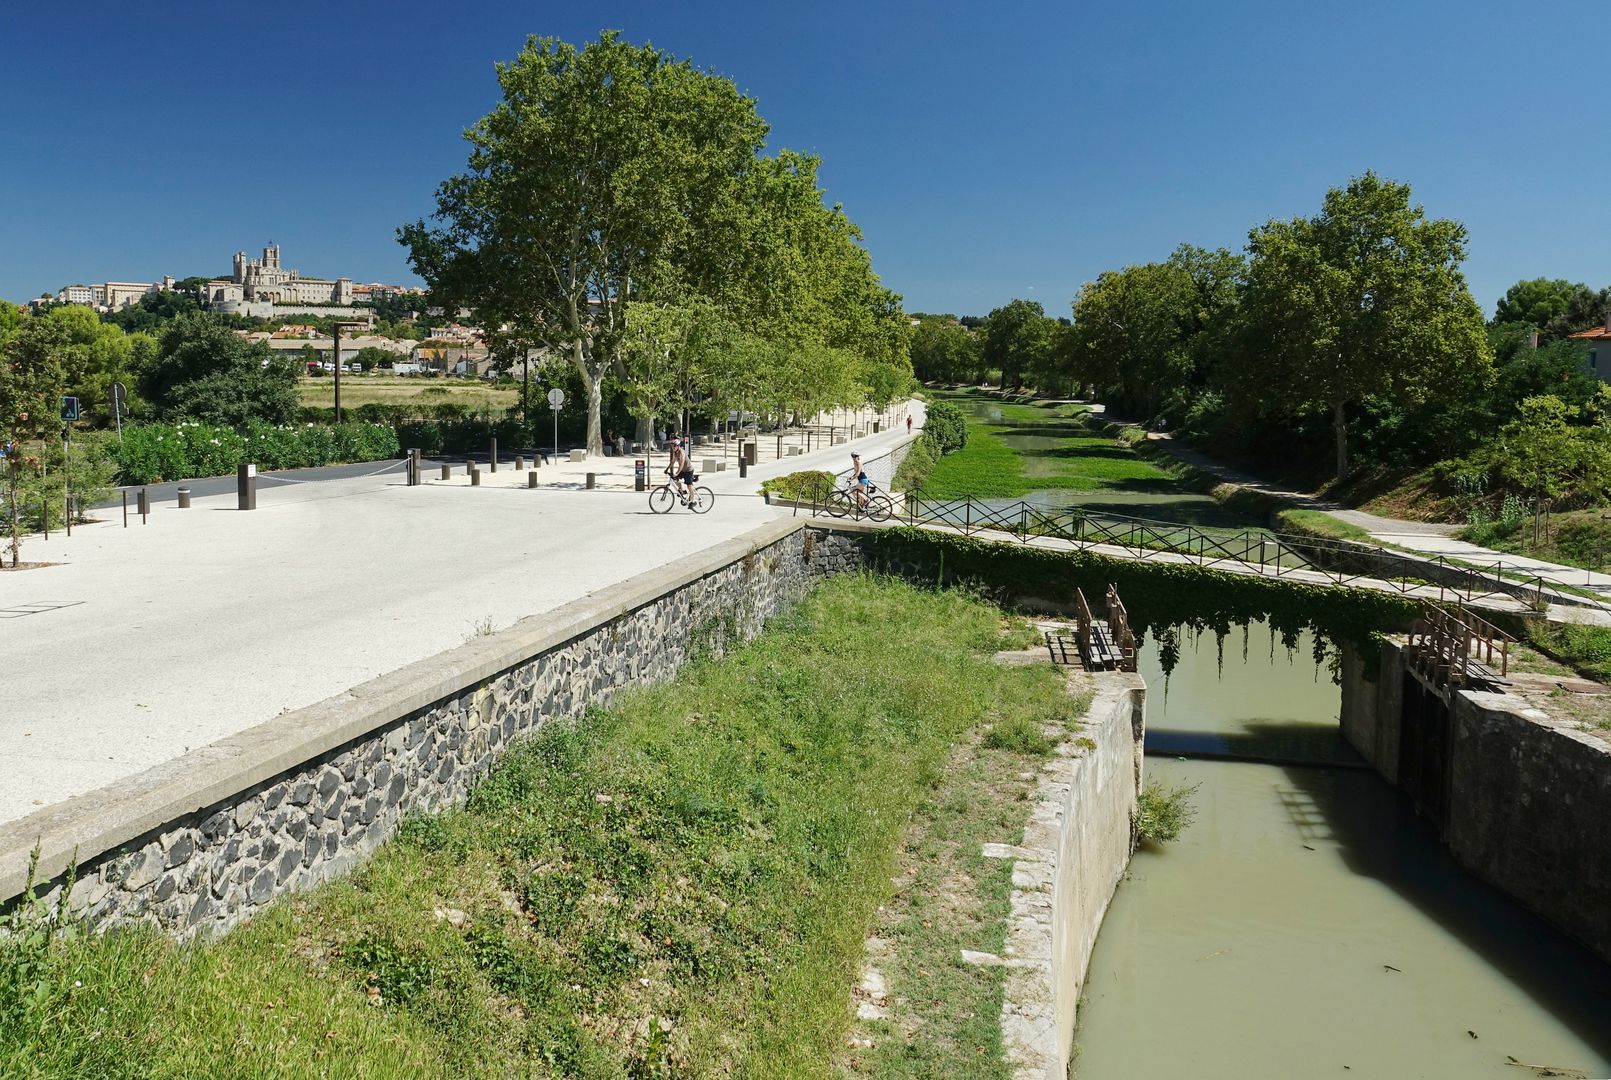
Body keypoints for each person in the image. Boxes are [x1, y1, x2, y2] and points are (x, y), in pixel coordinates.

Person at [665, 437, 696, 502]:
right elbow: (672, 462)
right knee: (674, 478)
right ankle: (682, 490)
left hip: (688, 470)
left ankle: (693, 501)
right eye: (672, 446)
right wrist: (667, 469)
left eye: (674, 446)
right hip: (682, 470)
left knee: (689, 486)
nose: (673, 447)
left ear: (678, 446)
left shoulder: (681, 452)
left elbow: (681, 464)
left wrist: (677, 473)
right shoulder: (675, 452)